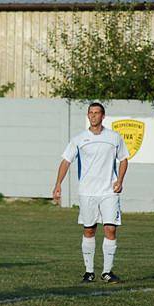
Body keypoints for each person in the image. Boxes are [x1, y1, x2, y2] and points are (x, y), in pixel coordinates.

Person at [53, 102, 129, 284]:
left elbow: (124, 159)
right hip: (87, 192)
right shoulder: (79, 139)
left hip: (109, 192)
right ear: (88, 116)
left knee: (110, 228)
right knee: (89, 229)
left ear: (103, 116)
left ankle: (107, 272)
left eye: (97, 113)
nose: (93, 116)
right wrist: (58, 184)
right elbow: (65, 161)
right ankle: (89, 272)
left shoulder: (114, 137)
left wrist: (119, 180)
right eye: (91, 113)